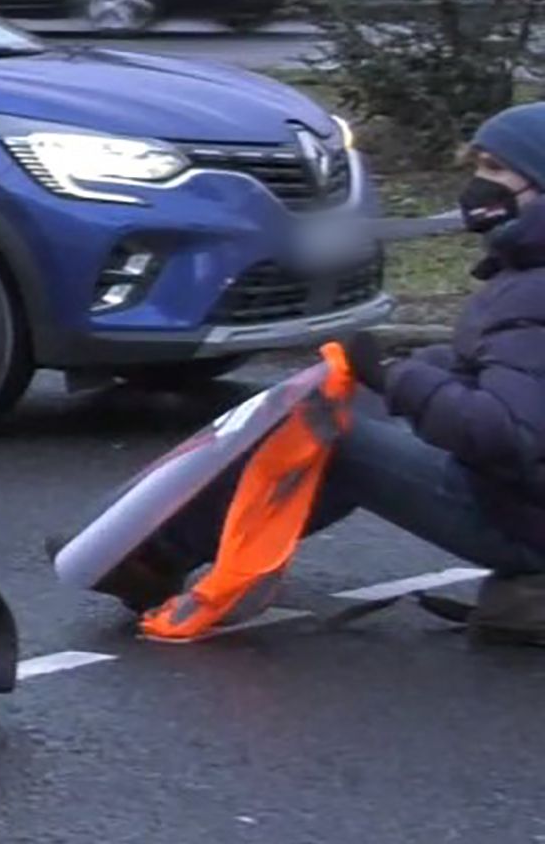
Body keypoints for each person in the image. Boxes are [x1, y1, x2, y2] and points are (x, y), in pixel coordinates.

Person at [103, 105, 545, 642]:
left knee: (330, 434)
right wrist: (411, 371)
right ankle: (154, 540)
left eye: (497, 170)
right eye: (477, 166)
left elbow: (507, 434)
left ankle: (156, 554)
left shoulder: (532, 293)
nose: (478, 185)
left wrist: (397, 378)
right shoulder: (527, 278)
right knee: (353, 404)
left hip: (526, 524)